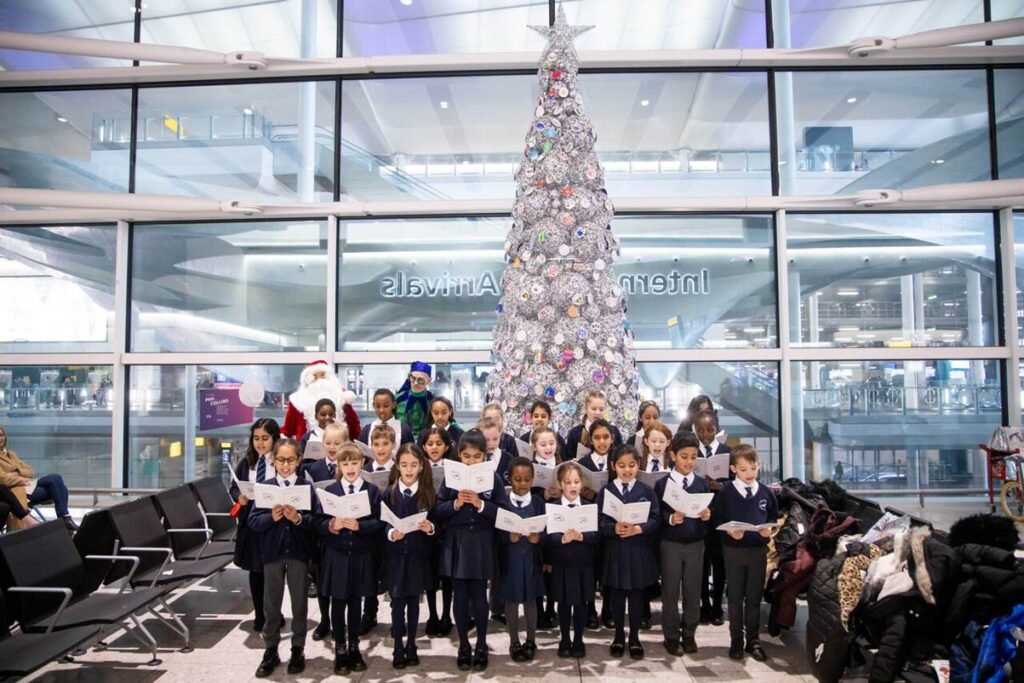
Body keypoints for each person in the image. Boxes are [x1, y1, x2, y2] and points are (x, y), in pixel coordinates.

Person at [434, 429, 508, 672]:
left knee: (479, 596)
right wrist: (455, 504)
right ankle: (463, 644)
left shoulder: (494, 479)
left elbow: (502, 513)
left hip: (482, 542)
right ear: (459, 456)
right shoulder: (451, 478)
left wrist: (481, 504)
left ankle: (482, 644)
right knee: (460, 595)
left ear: (485, 457)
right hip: (457, 542)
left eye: (477, 457)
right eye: (466, 456)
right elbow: (437, 510)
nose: (471, 461)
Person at [316, 443, 384, 675]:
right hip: (337, 555)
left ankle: (354, 647)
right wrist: (331, 525)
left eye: (354, 462)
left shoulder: (372, 491)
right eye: (345, 463)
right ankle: (340, 649)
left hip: (361, 555)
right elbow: (318, 523)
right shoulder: (331, 491)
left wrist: (359, 525)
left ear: (362, 463)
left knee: (356, 602)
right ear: (339, 465)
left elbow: (379, 523)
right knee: (338, 603)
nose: (350, 467)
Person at [248, 439, 314, 678]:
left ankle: (298, 648)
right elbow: (253, 521)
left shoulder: (306, 487)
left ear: (298, 461)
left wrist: (297, 518)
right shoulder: (265, 486)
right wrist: (271, 518)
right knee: (271, 603)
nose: (285, 465)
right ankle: (271, 649)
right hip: (272, 554)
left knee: (299, 603)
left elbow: (315, 522)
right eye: (281, 460)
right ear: (273, 461)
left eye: (291, 460)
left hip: (298, 553)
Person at [710, 444, 779, 662]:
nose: (748, 474)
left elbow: (773, 517)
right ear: (733, 469)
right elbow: (717, 519)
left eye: (752, 468)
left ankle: (753, 640)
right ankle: (736, 642)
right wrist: (730, 532)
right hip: (733, 551)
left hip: (758, 550)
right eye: (743, 469)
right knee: (735, 597)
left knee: (754, 598)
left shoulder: (766, 492)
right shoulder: (727, 492)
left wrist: (769, 529)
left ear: (758, 466)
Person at [598, 444, 660, 660]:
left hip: (638, 551)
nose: (627, 470)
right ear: (614, 466)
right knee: (616, 596)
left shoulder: (646, 491)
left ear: (638, 465)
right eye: (622, 466)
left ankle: (634, 637)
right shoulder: (606, 491)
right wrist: (612, 528)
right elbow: (599, 521)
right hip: (616, 551)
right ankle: (617, 636)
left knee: (636, 596)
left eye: (632, 465)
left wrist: (638, 529)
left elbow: (655, 519)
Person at [655, 431, 712, 656]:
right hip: (670, 544)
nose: (689, 462)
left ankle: (689, 633)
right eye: (684, 456)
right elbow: (657, 515)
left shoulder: (701, 484)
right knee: (670, 590)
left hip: (696, 544)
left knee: (693, 590)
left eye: (693, 457)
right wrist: (671, 518)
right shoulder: (662, 485)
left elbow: (708, 515)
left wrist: (707, 515)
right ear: (673, 455)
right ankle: (671, 635)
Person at [382, 443, 437, 669]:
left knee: (414, 602)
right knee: (397, 602)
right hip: (396, 556)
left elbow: (437, 525)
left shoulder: (428, 494)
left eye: (413, 465)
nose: (409, 469)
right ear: (397, 466)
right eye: (404, 465)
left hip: (417, 556)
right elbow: (381, 523)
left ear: (421, 467)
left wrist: (430, 528)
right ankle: (397, 646)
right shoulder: (390, 493)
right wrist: (390, 533)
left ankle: (412, 644)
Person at [230, 418, 281, 634]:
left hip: (274, 522)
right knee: (256, 571)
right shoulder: (247, 462)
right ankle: (260, 614)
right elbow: (234, 487)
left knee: (274, 572)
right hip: (251, 524)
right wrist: (239, 497)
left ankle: (274, 613)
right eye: (256, 438)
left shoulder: (280, 460)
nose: (260, 443)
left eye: (265, 438)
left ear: (274, 438)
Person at [546, 461, 597, 658]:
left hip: (584, 563)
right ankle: (565, 638)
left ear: (582, 483)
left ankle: (578, 639)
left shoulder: (590, 507)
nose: (573, 486)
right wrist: (562, 538)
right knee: (564, 603)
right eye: (568, 482)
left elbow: (597, 535)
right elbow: (548, 536)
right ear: (560, 484)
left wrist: (582, 536)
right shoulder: (553, 507)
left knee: (582, 602)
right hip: (562, 563)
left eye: (576, 481)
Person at [498, 457, 546, 662]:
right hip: (510, 559)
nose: (523, 484)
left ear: (533, 479)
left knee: (530, 599)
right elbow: (497, 532)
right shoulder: (503, 503)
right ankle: (514, 641)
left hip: (531, 559)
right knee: (511, 599)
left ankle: (531, 640)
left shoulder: (538, 502)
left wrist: (538, 538)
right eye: (518, 479)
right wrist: (509, 537)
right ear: (510, 479)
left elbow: (547, 530)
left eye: (527, 479)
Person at [304, 422, 347, 642]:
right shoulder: (313, 468)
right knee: (321, 578)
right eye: (328, 443)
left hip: (344, 531)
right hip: (321, 530)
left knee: (342, 580)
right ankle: (324, 620)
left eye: (337, 443)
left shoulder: (349, 467)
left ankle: (344, 619)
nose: (332, 447)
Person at [694, 408, 732, 626]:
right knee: (701, 562)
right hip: (698, 515)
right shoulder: (692, 453)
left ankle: (718, 605)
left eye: (710, 430)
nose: (706, 435)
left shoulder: (727, 452)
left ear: (716, 429)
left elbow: (736, 483)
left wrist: (720, 486)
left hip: (720, 515)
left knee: (719, 563)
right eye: (701, 430)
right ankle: (704, 604)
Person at [0, 425, 76, 530]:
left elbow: (30, 471)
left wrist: (17, 472)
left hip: (28, 486)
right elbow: (3, 479)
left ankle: (64, 517)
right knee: (61, 488)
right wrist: (22, 479)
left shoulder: (11, 454)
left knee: (56, 480)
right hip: (16, 490)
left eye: (1, 435)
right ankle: (64, 518)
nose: (0, 439)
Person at [418, 426, 455, 637]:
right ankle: (432, 614)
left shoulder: (452, 468)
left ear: (447, 446)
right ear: (423, 446)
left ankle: (446, 615)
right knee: (431, 576)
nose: (434, 447)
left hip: (447, 526)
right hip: (427, 526)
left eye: (439, 444)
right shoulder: (420, 467)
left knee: (447, 575)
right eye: (430, 444)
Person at [283, 360, 360, 443]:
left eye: (323, 376)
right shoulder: (297, 401)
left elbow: (354, 428)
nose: (320, 381)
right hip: (305, 449)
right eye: (315, 377)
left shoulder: (341, 399)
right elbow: (288, 430)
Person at [565, 391, 623, 461]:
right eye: (594, 409)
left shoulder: (614, 431)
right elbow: (567, 458)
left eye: (601, 409)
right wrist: (572, 462)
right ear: (586, 409)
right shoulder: (575, 433)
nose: (597, 412)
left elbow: (621, 455)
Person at [358, 389, 413, 455]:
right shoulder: (367, 430)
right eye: (378, 406)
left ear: (393, 405)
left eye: (386, 406)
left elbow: (411, 454)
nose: (381, 410)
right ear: (373, 406)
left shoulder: (404, 430)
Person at [395, 362, 435, 436]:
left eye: (420, 380)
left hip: (426, 443)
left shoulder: (434, 402)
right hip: (402, 442)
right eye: (413, 379)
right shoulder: (398, 399)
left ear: (429, 380)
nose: (416, 383)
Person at [478, 416, 513, 484]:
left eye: (495, 439)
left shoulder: (509, 459)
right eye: (487, 440)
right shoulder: (474, 458)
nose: (491, 443)